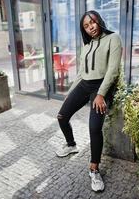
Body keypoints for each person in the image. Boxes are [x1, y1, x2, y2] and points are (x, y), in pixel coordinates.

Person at [55, 10, 122, 192]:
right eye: (86, 25)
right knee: (61, 116)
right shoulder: (85, 46)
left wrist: (101, 94)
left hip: (101, 87)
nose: (91, 27)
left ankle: (94, 169)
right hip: (85, 84)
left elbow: (113, 70)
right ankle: (71, 145)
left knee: (94, 128)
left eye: (92, 22)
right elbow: (81, 73)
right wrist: (70, 93)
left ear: (99, 21)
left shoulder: (113, 38)